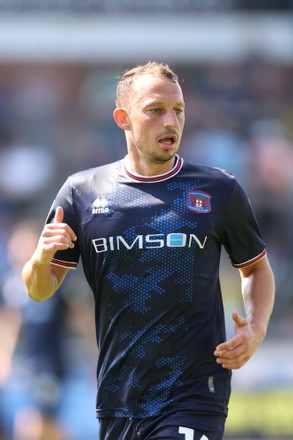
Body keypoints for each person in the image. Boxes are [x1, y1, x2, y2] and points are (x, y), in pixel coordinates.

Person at [22, 61, 275, 440]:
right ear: (123, 118)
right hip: (119, 397)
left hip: (194, 392)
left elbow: (255, 268)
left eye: (178, 110)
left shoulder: (217, 189)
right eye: (156, 110)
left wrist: (255, 327)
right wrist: (41, 258)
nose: (171, 121)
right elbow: (39, 289)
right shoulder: (82, 193)